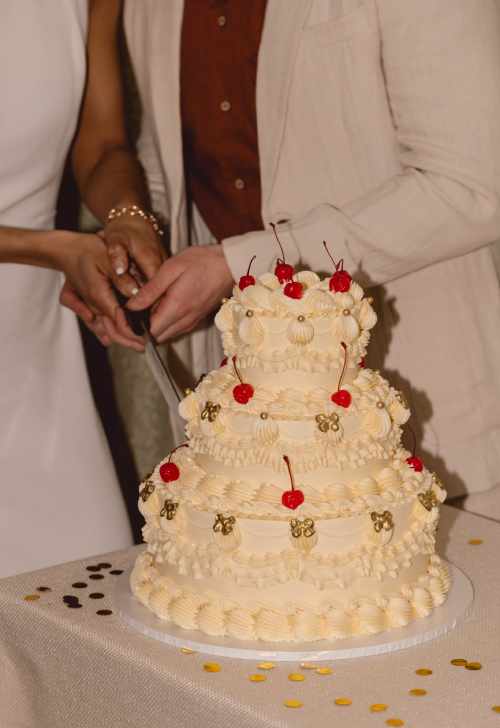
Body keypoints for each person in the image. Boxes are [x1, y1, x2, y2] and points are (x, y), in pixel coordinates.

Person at [70, 1, 500, 503]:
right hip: (241, 438)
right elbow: (175, 166)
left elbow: (472, 185)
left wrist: (243, 265)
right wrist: (132, 257)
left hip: (428, 414)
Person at [0, 0, 166, 577]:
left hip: (34, 375)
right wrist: (51, 249)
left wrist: (127, 219)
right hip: (44, 277)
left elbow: (101, 145)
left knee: (89, 599)